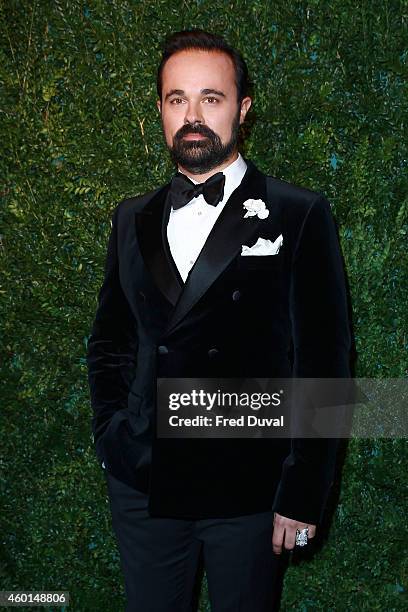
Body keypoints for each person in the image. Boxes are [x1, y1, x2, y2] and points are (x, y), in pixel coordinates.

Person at [86, 28, 351, 611]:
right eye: (177, 99)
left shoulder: (299, 212)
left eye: (212, 97)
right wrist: (112, 439)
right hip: (145, 484)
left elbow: (326, 363)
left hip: (250, 489)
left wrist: (303, 491)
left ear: (243, 108)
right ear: (159, 109)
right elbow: (111, 342)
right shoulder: (130, 218)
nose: (193, 115)